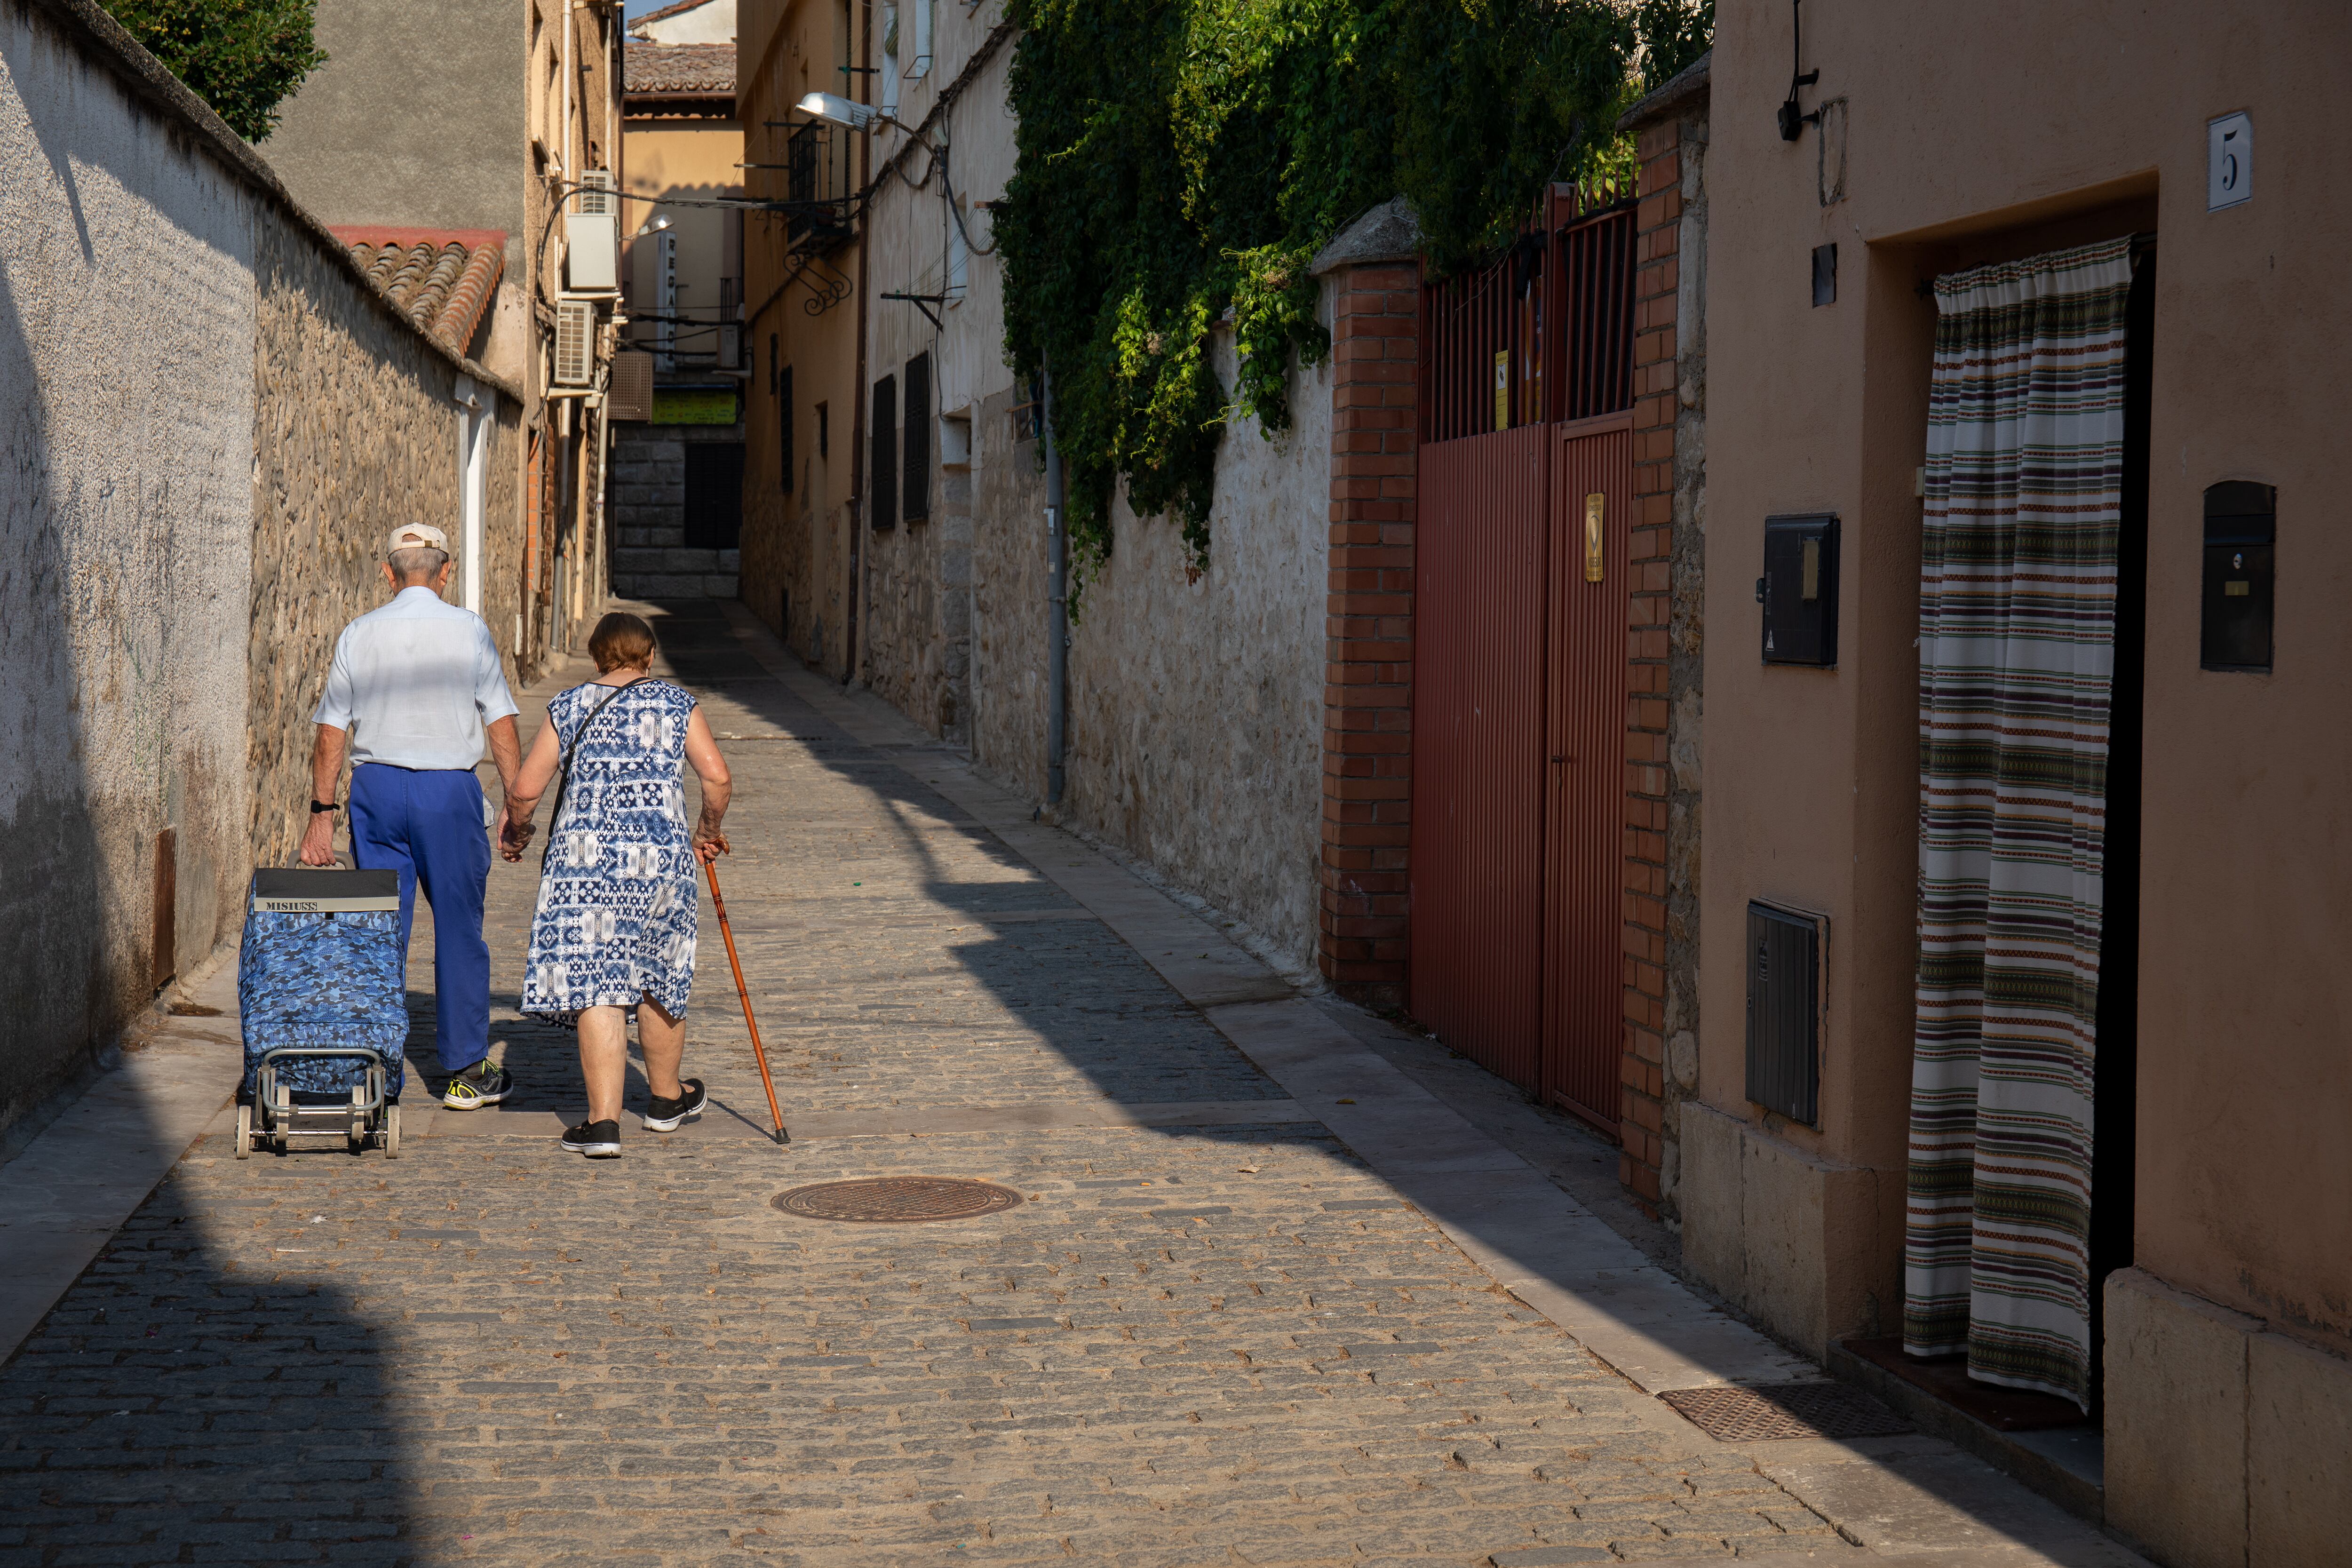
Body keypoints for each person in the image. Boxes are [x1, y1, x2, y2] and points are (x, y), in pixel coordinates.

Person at [301, 523, 522, 1108]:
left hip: (377, 789)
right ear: (445, 572)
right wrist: (516, 807)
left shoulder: (359, 633)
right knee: (458, 930)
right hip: (449, 793)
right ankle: (464, 1074)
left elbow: (331, 733)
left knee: (379, 929)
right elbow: (498, 719)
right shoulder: (469, 631)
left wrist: (322, 815)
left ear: (388, 572)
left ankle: (373, 1073)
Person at [498, 611, 732, 1157]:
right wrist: (707, 830)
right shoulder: (678, 704)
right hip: (660, 862)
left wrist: (520, 831)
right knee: (660, 968)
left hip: (586, 863)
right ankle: (665, 1100)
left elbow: (525, 790)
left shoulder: (571, 706)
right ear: (649, 657)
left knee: (599, 978)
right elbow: (716, 778)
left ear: (596, 655)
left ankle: (602, 1124)